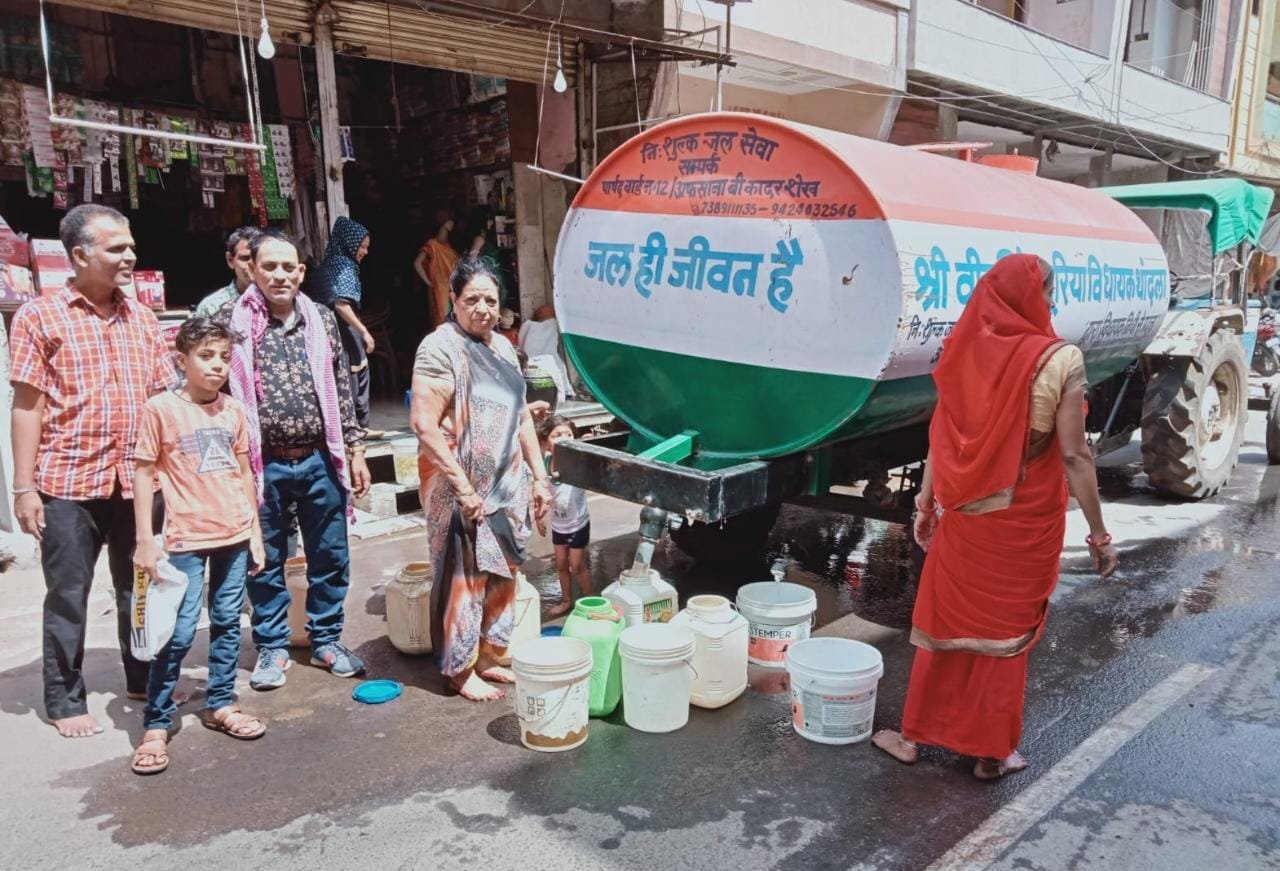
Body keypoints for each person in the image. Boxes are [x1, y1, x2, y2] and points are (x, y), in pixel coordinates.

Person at [871, 254, 1119, 780]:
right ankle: (992, 753)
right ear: (1031, 296)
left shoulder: (964, 351)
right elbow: (1075, 456)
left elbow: (944, 433)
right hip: (1024, 517)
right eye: (1049, 291)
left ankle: (913, 737)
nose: (1052, 301)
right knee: (1004, 638)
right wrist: (1099, 535)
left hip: (966, 513)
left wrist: (926, 503)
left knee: (945, 623)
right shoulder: (1060, 360)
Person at [8, 204, 175, 738]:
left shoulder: (143, 319)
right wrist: (23, 487)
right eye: (116, 248)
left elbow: (159, 404)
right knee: (68, 596)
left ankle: (141, 678)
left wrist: (169, 472)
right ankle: (63, 699)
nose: (130, 256)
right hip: (66, 486)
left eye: (130, 246)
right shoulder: (40, 315)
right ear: (79, 255)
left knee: (138, 587)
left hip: (134, 481)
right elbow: (27, 406)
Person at [223, 229, 372, 690]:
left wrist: (355, 447)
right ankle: (271, 647)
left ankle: (326, 638)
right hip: (260, 463)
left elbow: (340, 387)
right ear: (252, 269)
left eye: (289, 267)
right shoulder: (233, 321)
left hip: (318, 457)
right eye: (269, 266)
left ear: (302, 272)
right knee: (263, 558)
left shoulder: (322, 319)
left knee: (329, 552)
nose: (280, 275)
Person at [130, 317, 267, 775]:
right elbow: (144, 472)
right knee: (179, 631)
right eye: (206, 356)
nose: (217, 366)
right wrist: (145, 541)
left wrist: (255, 532)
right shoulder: (161, 409)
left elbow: (245, 471)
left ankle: (222, 703)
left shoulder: (233, 410)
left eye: (225, 357)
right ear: (181, 360)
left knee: (229, 621)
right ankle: (156, 722)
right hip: (185, 539)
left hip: (233, 534)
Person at [410, 257, 551, 701]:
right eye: (472, 299)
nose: (483, 308)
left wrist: (540, 478)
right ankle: (459, 669)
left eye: (491, 299)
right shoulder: (439, 348)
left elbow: (521, 418)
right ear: (453, 299)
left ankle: (489, 655)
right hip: (459, 491)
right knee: (463, 577)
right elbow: (424, 424)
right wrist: (465, 490)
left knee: (504, 574)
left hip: (506, 487)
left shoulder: (504, 348)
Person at [311, 217, 376, 434]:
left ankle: (351, 427)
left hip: (328, 330)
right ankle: (359, 426)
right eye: (362, 247)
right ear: (350, 243)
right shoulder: (344, 265)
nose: (365, 252)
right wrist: (364, 331)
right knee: (356, 371)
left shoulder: (328, 263)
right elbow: (341, 304)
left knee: (345, 373)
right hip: (343, 329)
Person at [537, 415, 593, 618]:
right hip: (559, 525)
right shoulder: (544, 463)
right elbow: (540, 492)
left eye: (568, 434)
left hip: (578, 523)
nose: (563, 438)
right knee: (561, 564)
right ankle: (567, 601)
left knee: (577, 565)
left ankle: (591, 601)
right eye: (556, 435)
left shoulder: (578, 463)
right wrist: (538, 517)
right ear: (545, 442)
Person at [194, 227, 260, 318]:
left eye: (258, 258)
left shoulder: (278, 302)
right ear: (230, 260)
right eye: (245, 258)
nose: (253, 265)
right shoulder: (211, 307)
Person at [413, 210, 459, 331]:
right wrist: (428, 282)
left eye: (449, 228)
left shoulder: (449, 246)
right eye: (445, 227)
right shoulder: (432, 245)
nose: (446, 230)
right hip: (439, 288)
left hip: (452, 287)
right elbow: (417, 263)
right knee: (441, 321)